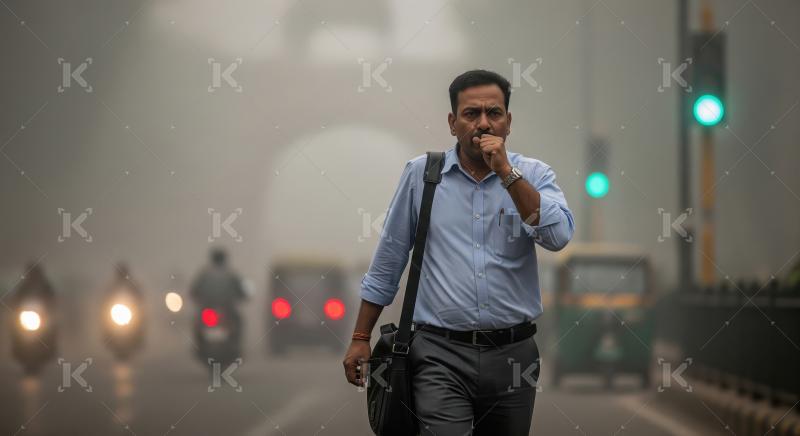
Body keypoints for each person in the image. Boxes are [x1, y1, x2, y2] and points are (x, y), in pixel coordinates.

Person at [343, 69, 574, 435]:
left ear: (508, 122)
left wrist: (507, 174)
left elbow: (557, 236)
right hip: (439, 353)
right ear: (453, 123)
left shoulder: (534, 174)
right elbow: (390, 259)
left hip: (513, 354)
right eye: (471, 114)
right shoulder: (422, 176)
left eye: (494, 113)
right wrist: (360, 338)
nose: (483, 123)